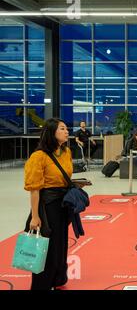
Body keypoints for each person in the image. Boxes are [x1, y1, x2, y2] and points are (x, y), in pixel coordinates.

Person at [24, 118, 73, 290]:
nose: (67, 131)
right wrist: (35, 216)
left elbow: (63, 178)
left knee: (60, 244)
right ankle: (41, 284)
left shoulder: (66, 152)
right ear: (52, 133)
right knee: (46, 248)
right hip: (47, 206)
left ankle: (58, 279)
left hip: (63, 205)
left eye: (66, 128)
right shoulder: (38, 157)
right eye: (62, 128)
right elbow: (35, 189)